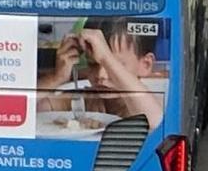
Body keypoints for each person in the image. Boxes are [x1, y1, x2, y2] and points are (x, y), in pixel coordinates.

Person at [37, 17, 165, 132]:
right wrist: (56, 78)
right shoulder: (82, 100)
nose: (101, 74)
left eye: (113, 65)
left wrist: (106, 57)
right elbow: (22, 111)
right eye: (93, 64)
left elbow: (154, 122)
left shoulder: (151, 103)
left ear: (146, 65)